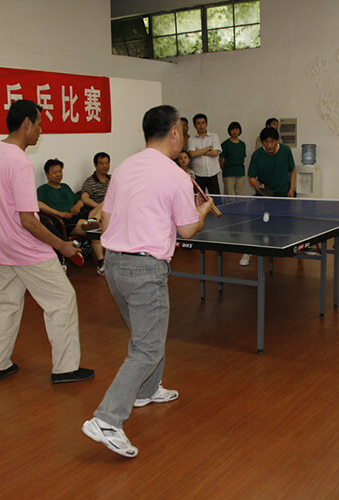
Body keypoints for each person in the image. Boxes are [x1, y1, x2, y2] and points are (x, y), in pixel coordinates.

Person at [81, 104, 213, 458]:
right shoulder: (176, 176)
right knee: (148, 346)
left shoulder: (124, 168)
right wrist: (202, 211)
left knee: (146, 336)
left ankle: (147, 389)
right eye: (182, 131)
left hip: (113, 265)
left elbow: (106, 223)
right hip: (144, 269)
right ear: (174, 132)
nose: (183, 136)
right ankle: (107, 419)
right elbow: (187, 229)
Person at [0, 99, 94, 384]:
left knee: (6, 305)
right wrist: (62, 245)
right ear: (27, 123)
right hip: (26, 249)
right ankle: (65, 368)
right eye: (39, 123)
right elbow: (29, 221)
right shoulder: (19, 161)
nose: (41, 130)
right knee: (62, 300)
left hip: (0, 248)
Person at [239, 126, 297, 266]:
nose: (269, 145)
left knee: (285, 226)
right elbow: (252, 177)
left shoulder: (286, 151)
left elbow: (293, 169)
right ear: (262, 142)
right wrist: (258, 186)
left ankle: (298, 249)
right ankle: (248, 252)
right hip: (264, 196)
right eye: (266, 142)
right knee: (258, 226)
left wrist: (292, 188)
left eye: (272, 141)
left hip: (283, 194)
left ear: (277, 141)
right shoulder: (257, 155)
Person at [37, 158, 103, 274]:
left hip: (79, 216)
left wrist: (78, 205)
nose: (58, 174)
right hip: (65, 221)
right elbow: (38, 204)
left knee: (104, 203)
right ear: (47, 174)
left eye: (60, 171)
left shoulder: (65, 187)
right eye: (55, 172)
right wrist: (58, 213)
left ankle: (93, 220)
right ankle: (101, 263)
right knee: (96, 228)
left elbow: (80, 200)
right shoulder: (43, 190)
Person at [80, 152, 111, 274]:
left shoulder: (112, 179)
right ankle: (101, 263)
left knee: (108, 202)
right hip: (100, 212)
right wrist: (101, 206)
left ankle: (93, 220)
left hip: (112, 212)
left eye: (107, 163)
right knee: (106, 202)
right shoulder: (90, 181)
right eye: (101, 164)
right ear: (95, 165)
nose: (105, 166)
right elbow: (84, 198)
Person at [187, 113, 222, 194]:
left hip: (212, 173)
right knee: (199, 198)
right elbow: (192, 154)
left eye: (203, 123)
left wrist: (198, 151)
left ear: (206, 124)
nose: (201, 126)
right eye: (198, 123)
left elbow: (215, 153)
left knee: (215, 198)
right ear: (194, 125)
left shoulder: (214, 136)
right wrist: (207, 148)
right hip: (198, 173)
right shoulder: (191, 139)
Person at [220, 121, 247, 195]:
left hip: (240, 172)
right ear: (229, 131)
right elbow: (221, 159)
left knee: (240, 194)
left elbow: (243, 158)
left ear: (240, 131)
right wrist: (225, 169)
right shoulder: (225, 144)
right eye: (233, 130)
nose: (235, 131)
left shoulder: (242, 144)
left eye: (237, 129)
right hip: (228, 173)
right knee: (228, 194)